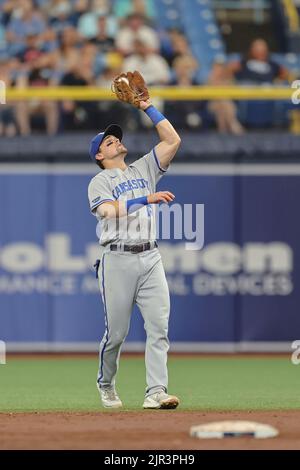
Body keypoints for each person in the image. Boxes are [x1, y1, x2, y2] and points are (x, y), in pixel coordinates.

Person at [87, 86, 181, 410]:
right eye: (107, 141)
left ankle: (156, 391)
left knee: (159, 326)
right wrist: (146, 198)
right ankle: (106, 382)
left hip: (150, 256)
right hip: (117, 259)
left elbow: (173, 141)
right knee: (116, 333)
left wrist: (148, 107)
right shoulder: (99, 182)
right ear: (100, 156)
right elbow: (109, 210)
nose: (115, 140)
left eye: (115, 138)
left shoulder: (143, 168)